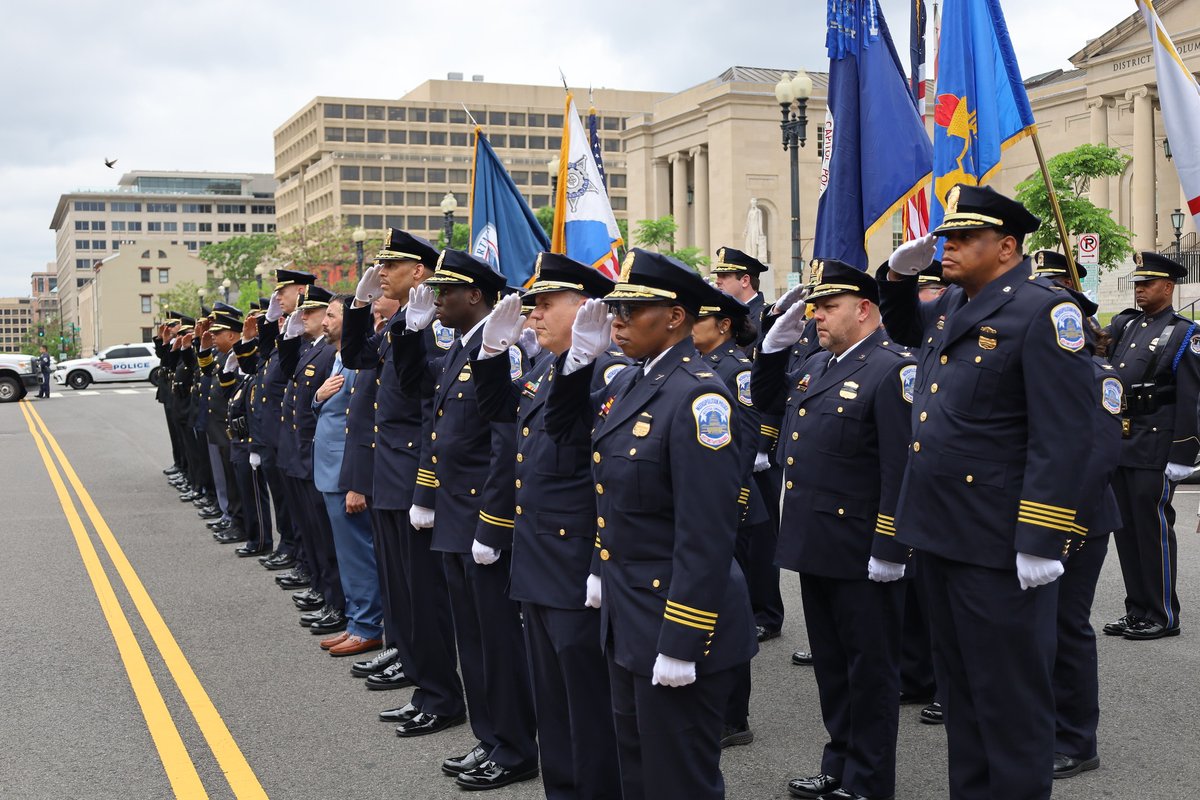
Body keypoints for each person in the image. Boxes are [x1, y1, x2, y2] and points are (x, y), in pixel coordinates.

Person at [878, 184, 1094, 800]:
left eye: (962, 238)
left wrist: (1041, 539)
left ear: (1006, 247)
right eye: (945, 236)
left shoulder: (1044, 312)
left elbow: (1064, 434)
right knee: (964, 697)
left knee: (1010, 703)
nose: (946, 246)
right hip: (941, 532)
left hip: (999, 544)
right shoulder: (952, 305)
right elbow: (897, 325)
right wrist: (897, 271)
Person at [544, 248, 757, 800]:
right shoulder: (632, 383)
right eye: (615, 309)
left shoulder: (699, 399)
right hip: (629, 614)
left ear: (676, 317)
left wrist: (683, 640)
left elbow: (706, 533)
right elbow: (565, 433)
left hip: (673, 616)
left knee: (678, 779)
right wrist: (576, 361)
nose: (616, 319)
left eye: (632, 310)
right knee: (637, 769)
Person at [754, 260, 915, 800]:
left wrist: (890, 546)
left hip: (863, 550)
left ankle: (869, 782)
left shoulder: (891, 369)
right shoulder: (821, 365)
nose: (816, 315)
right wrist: (771, 351)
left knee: (869, 673)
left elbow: (901, 466)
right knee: (833, 668)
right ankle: (840, 762)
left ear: (865, 309)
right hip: (817, 544)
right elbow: (768, 405)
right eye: (815, 307)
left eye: (828, 307)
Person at [472, 253, 625, 800]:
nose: (532, 315)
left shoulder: (610, 375)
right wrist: (490, 352)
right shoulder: (544, 367)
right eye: (531, 305)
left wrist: (597, 565)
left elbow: (612, 483)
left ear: (585, 309)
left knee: (588, 707)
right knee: (553, 703)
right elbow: (499, 416)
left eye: (544, 305)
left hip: (575, 563)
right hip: (537, 559)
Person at [395, 249, 539, 791]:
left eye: (444, 293)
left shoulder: (500, 350)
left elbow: (506, 445)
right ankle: (492, 735)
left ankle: (516, 747)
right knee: (473, 642)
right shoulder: (463, 346)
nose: (435, 301)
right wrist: (408, 335)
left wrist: (493, 525)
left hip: (482, 519)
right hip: (455, 514)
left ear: (473, 295)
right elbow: (426, 405)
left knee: (498, 642)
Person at [343, 230, 466, 721]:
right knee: (402, 591)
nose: (382, 272)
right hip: (389, 475)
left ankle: (441, 698)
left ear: (419, 272)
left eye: (391, 266)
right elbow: (357, 358)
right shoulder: (403, 323)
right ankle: (423, 687)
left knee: (424, 598)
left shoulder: (432, 325)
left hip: (415, 475)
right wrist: (358, 303)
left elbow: (429, 403)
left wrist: (423, 486)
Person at [1101, 251, 1198, 641]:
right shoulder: (1126, 326)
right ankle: (1136, 609)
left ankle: (1162, 613)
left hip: (1156, 446)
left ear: (1169, 287)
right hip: (1122, 442)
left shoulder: (1184, 333)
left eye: (1148, 283)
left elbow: (1191, 398)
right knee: (1125, 530)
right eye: (1137, 283)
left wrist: (1182, 454)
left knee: (1152, 529)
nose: (1140, 289)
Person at [1049, 290, 1123, 780]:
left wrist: (1068, 527)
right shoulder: (1044, 378)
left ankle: (1078, 741)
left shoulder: (1099, 378)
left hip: (1081, 521)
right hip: (1036, 519)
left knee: (1066, 628)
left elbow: (1097, 461)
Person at [689, 286, 765, 748]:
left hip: (731, 505)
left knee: (728, 614)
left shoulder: (737, 370)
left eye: (702, 319)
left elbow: (746, 442)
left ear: (723, 326)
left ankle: (733, 717)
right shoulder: (699, 367)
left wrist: (729, 502)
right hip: (711, 505)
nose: (691, 325)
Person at [711, 246, 786, 643]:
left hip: (759, 444)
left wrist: (763, 443)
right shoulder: (723, 319)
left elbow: (774, 383)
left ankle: (767, 611)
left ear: (746, 279)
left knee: (762, 533)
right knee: (740, 531)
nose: (718, 280)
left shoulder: (768, 316)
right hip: (732, 436)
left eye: (725, 276)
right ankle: (745, 605)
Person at [311, 295, 385, 658]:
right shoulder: (339, 357)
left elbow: (361, 423)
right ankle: (357, 621)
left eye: (331, 314)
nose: (324, 320)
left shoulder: (357, 361)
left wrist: (357, 482)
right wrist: (316, 397)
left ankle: (368, 626)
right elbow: (328, 404)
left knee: (359, 554)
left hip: (346, 475)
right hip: (330, 470)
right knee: (347, 553)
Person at [278, 286, 346, 638]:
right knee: (314, 533)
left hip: (314, 456)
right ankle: (323, 590)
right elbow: (288, 377)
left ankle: (336, 600)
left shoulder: (328, 355)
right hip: (302, 456)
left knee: (326, 537)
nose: (303, 317)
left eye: (313, 312)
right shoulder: (313, 350)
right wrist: (287, 340)